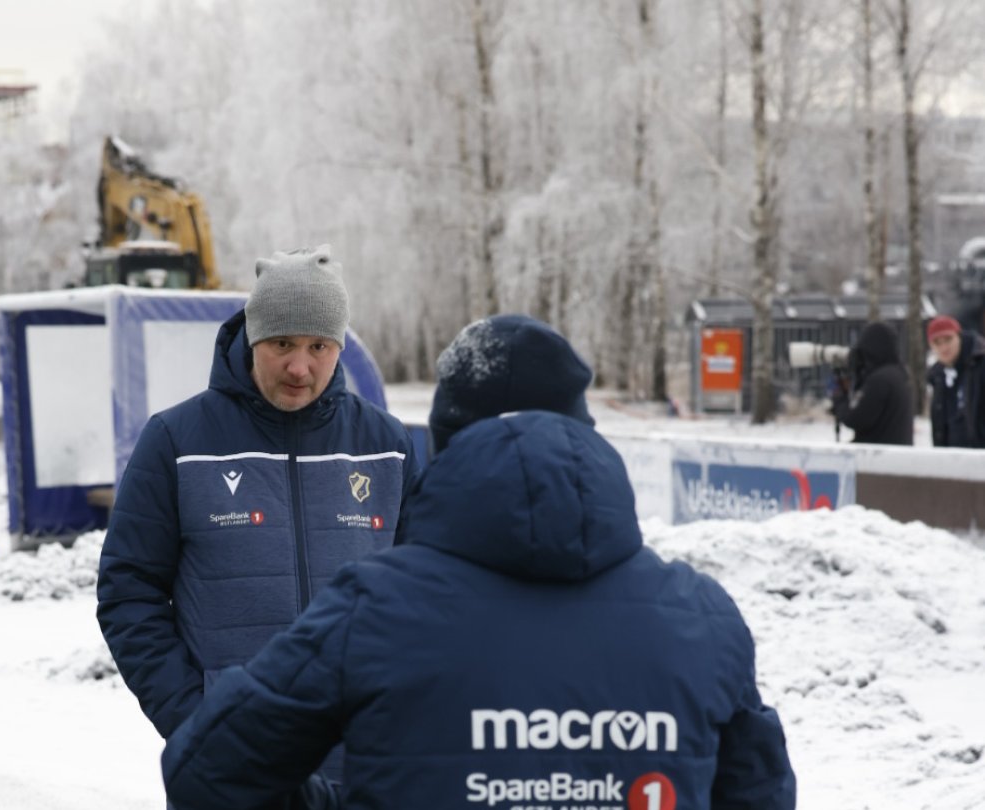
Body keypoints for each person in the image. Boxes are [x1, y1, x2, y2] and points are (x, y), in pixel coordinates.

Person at [160, 314, 797, 810]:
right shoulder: (702, 618)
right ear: (585, 432)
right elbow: (760, 794)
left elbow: (207, 772)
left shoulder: (371, 613)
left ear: (446, 443)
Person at [97, 245, 419, 765]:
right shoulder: (177, 441)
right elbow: (129, 590)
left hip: (365, 754)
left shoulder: (386, 445)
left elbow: (425, 592)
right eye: (282, 343)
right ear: (253, 337)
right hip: (234, 759)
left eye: (319, 346)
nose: (299, 366)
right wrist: (195, 720)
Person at [830, 321, 913, 445]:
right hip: (894, 452)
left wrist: (840, 399)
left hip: (878, 454)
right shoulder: (899, 374)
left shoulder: (880, 381)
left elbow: (855, 419)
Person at [926, 314, 985, 448]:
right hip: (951, 455)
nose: (944, 348)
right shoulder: (938, 376)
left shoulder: (980, 366)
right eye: (937, 343)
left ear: (959, 337)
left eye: (948, 339)